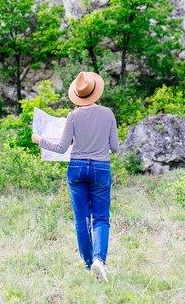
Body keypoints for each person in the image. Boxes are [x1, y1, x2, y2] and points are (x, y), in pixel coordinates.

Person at [31, 71, 119, 282]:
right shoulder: (108, 113)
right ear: (96, 93)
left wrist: (39, 140)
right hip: (101, 169)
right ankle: (99, 259)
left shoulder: (73, 116)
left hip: (77, 168)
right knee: (100, 218)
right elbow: (115, 147)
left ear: (78, 96)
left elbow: (62, 148)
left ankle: (90, 265)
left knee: (82, 219)